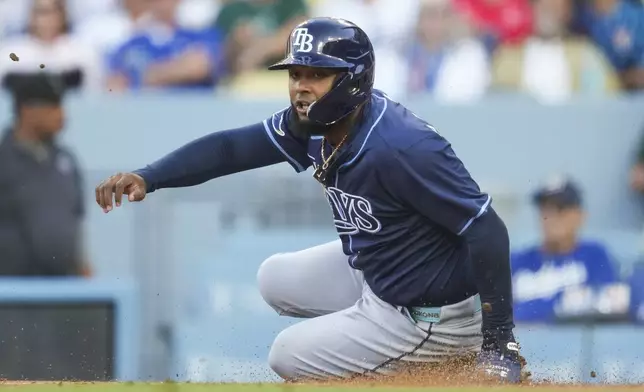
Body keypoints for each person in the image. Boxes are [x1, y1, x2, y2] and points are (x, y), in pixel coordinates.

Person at [95, 17, 523, 383]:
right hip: (383, 272)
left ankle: (446, 359)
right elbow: (231, 150)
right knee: (273, 278)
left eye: (316, 75)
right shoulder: (317, 124)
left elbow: (487, 228)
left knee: (287, 355)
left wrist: (499, 342)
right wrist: (150, 176)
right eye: (295, 74)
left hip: (430, 313)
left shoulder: (403, 147)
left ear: (352, 79)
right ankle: (377, 336)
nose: (301, 87)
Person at [0, 72, 91, 276]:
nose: (62, 115)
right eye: (53, 106)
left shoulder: (66, 161)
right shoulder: (3, 160)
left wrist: (85, 274)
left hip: (62, 289)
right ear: (27, 109)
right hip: (10, 294)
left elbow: (75, 223)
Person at [511, 176, 618, 322]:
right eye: (544, 209)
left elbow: (606, 304)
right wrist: (561, 302)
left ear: (580, 216)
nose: (550, 216)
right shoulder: (518, 260)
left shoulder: (594, 255)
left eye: (560, 208)